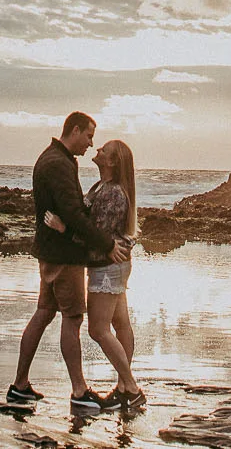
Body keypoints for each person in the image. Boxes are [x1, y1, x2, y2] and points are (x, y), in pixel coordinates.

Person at [9, 111, 129, 415]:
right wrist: (106, 244)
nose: (91, 143)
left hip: (51, 253)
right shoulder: (59, 164)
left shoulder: (52, 158)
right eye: (88, 136)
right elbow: (74, 214)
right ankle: (79, 391)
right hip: (64, 256)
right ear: (74, 130)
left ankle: (20, 385)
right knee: (73, 319)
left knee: (44, 313)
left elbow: (71, 213)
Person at [82, 138, 144, 411]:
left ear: (112, 161)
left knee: (98, 329)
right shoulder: (103, 187)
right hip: (114, 266)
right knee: (120, 324)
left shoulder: (112, 193)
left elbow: (99, 234)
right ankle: (122, 389)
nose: (97, 150)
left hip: (106, 268)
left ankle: (130, 387)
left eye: (103, 150)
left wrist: (64, 228)